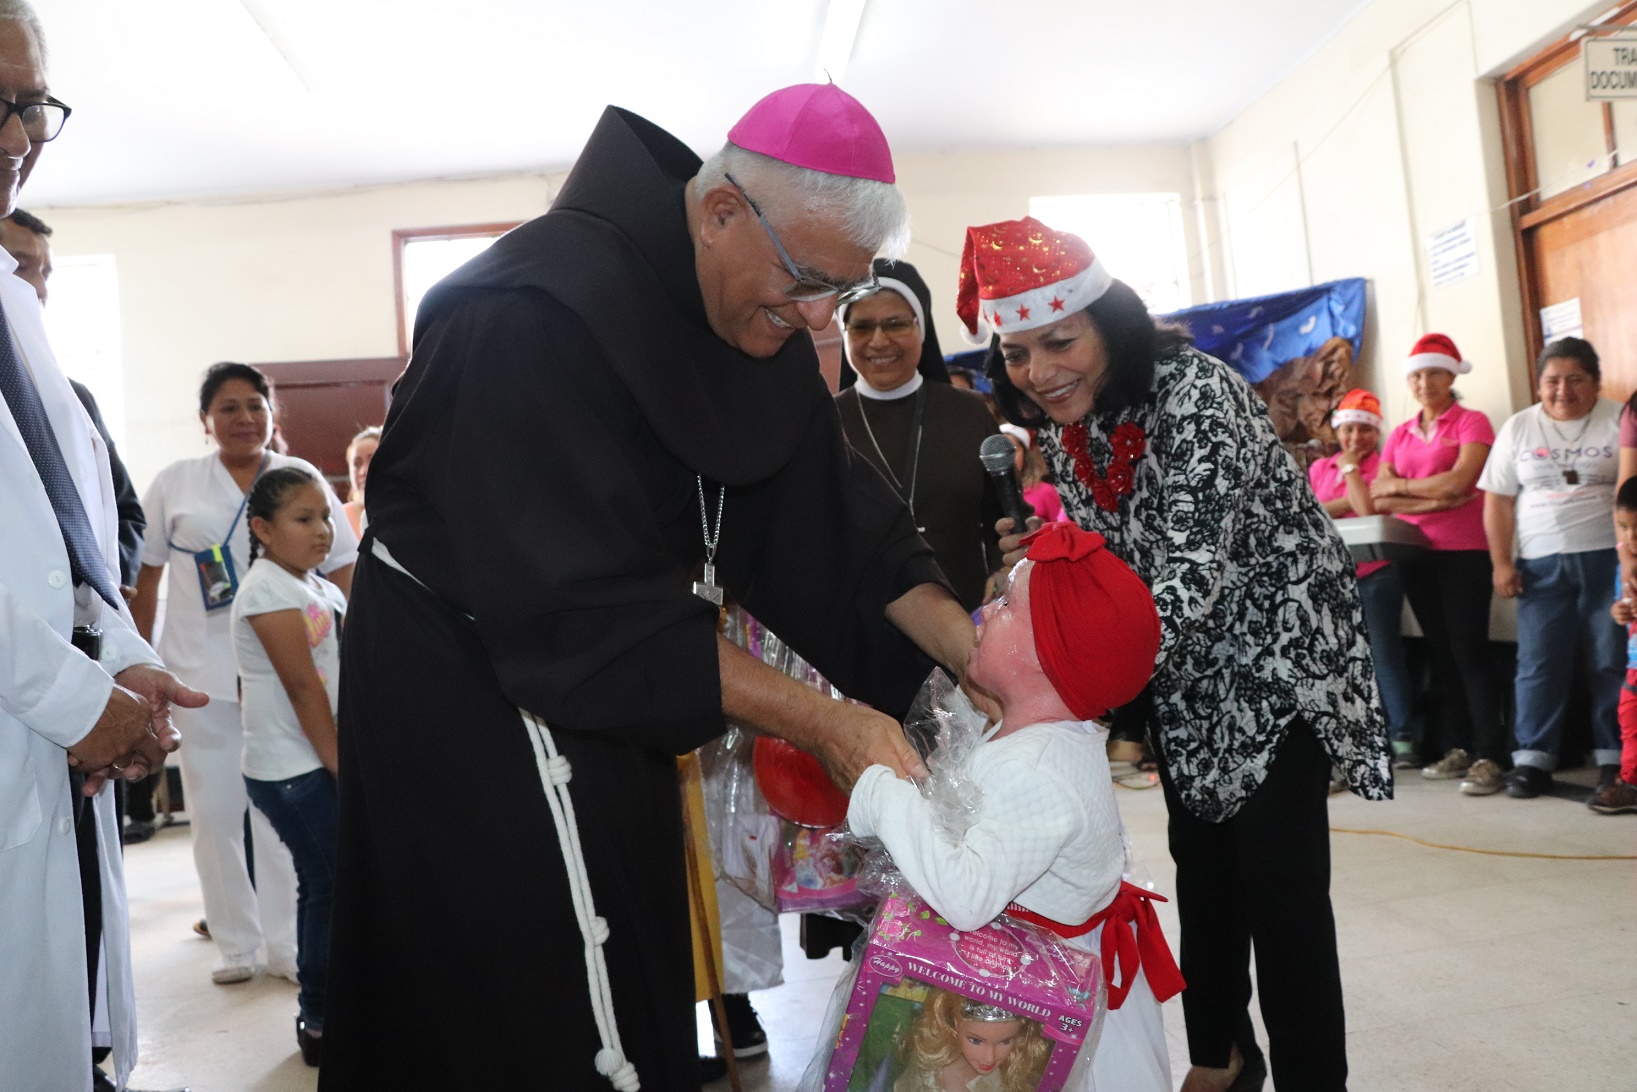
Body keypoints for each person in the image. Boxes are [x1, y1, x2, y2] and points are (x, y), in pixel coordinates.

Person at [326, 84, 986, 1091]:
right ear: (721, 213)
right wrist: (825, 720)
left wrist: (966, 647)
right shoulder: (527, 315)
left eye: (839, 297)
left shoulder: (746, 305)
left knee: (625, 958)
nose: (815, 319)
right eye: (806, 280)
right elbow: (577, 604)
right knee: (522, 989)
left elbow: (829, 520)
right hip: (473, 704)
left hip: (608, 692)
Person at [973, 217, 1389, 1092]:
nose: (1039, 372)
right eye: (1016, 354)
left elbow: (1182, 582)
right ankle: (1220, 1056)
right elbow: (1103, 557)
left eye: (1059, 342)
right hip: (1185, 677)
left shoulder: (1196, 393)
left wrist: (1053, 677)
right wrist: (1040, 574)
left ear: (1109, 322)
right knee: (1202, 874)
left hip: (1277, 667)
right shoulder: (1079, 420)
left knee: (1281, 899)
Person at [0, 4, 203, 1088]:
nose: (14, 136)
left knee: (67, 1035)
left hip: (50, 747)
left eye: (30, 104)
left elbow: (74, 532)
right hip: (33, 719)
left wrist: (118, 647)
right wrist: (81, 703)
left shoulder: (16, 314)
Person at [850, 521, 1178, 1091]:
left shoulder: (1038, 772)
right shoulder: (1039, 736)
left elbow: (968, 896)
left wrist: (883, 794)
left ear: (1047, 657)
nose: (984, 610)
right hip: (1026, 984)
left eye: (1005, 602)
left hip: (1036, 1017)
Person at [131, 362, 357, 986]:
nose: (244, 418)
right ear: (206, 420)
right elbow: (146, 577)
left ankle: (286, 946)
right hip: (201, 671)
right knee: (215, 810)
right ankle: (235, 942)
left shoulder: (299, 478)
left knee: (285, 812)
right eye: (228, 407)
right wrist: (136, 663)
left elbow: (342, 563)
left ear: (272, 413)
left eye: (255, 405)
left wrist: (351, 647)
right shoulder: (176, 483)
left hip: (286, 675)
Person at [233, 467, 348, 1067]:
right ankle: (321, 1020)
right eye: (304, 519)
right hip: (292, 770)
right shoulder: (266, 591)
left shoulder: (313, 584)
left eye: (325, 516)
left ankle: (338, 1009)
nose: (322, 530)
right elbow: (304, 689)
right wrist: (342, 771)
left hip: (315, 760)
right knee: (328, 886)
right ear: (263, 530)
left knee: (334, 884)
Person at [1480, 337, 1625, 800]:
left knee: (1611, 661)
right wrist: (1501, 562)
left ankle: (1615, 760)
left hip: (1610, 560)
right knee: (1539, 665)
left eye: (1575, 380)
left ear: (1596, 383)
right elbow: (1498, 501)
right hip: (1539, 566)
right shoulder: (1519, 427)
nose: (1563, 390)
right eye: (1551, 381)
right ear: (1539, 384)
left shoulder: (1620, 419)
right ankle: (1532, 761)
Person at [1371, 334, 1502, 791]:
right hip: (1414, 552)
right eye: (1416, 375)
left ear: (1451, 376)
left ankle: (1490, 753)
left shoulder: (1472, 421)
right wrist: (1437, 494)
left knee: (1469, 651)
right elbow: (1379, 493)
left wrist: (1407, 489)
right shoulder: (1401, 433)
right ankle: (1460, 746)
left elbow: (1465, 480)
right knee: (1442, 654)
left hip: (1464, 552)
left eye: (1434, 373)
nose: (1424, 382)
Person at [836, 259, 1004, 611]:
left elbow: (1003, 515)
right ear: (844, 333)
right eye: (862, 327)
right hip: (860, 622)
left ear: (921, 327)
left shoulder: (970, 412)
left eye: (895, 324)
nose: (879, 341)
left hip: (967, 616)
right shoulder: (825, 422)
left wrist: (1002, 569)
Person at [1308, 388, 1443, 769]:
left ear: (1375, 433)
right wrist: (1344, 501)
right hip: (1332, 575)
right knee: (1342, 659)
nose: (1355, 439)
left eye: (1363, 431)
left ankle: (1401, 738)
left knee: (1384, 655)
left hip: (1376, 574)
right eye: (1348, 430)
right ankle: (1356, 735)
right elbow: (1310, 512)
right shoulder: (1320, 469)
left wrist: (1351, 471)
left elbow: (1367, 512)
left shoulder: (1381, 465)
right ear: (1337, 431)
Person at [888, 990, 1050, 1092]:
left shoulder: (1011, 1080)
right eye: (976, 1041)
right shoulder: (929, 1070)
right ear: (955, 1023)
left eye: (1005, 1041)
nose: (989, 1058)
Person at [1596, 477, 1637, 814]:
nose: (1631, 537)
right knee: (1629, 719)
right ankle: (1631, 783)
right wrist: (1619, 611)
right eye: (1623, 527)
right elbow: (1619, 607)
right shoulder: (1624, 569)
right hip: (1635, 665)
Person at [999, 423, 1064, 525]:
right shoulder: (988, 492)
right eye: (1000, 450)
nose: (1007, 456)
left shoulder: (1046, 491)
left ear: (1025, 455)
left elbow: (1061, 528)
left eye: (1014, 449)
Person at [341, 425, 379, 538]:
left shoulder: (409, 513)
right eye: (357, 464)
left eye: (372, 461)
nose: (363, 471)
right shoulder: (338, 517)